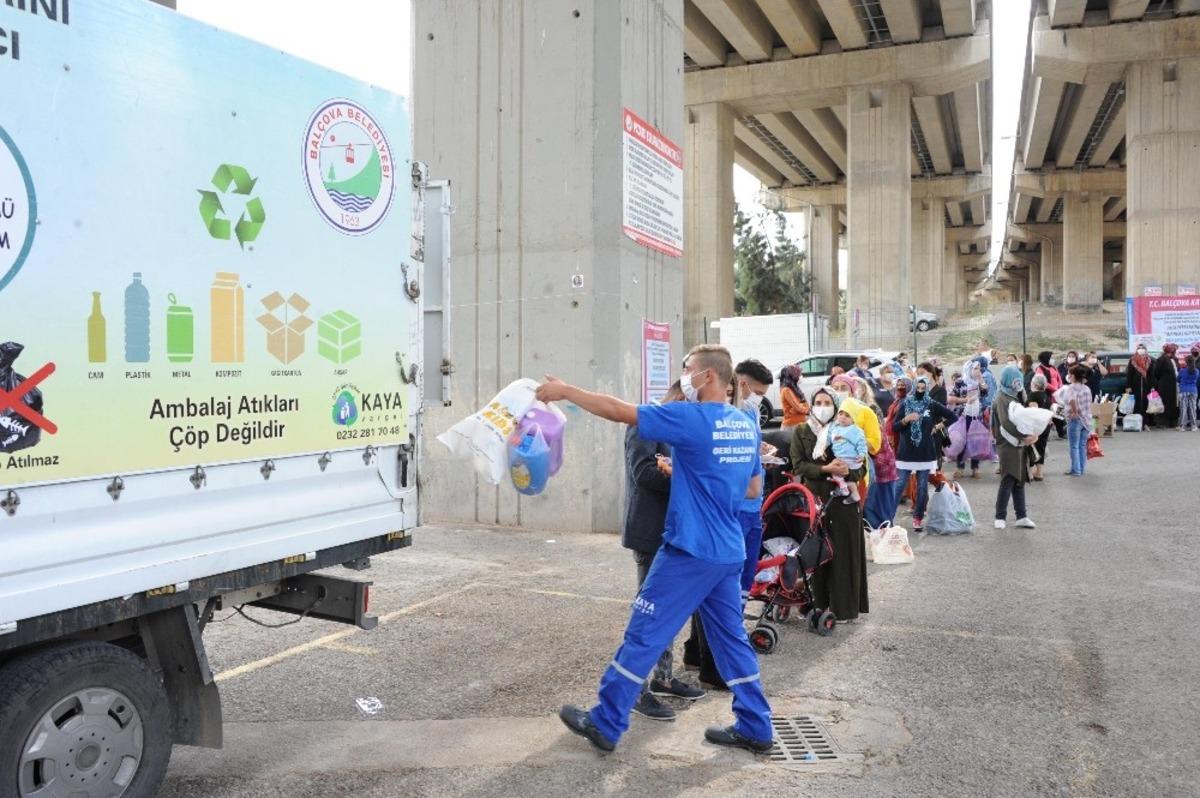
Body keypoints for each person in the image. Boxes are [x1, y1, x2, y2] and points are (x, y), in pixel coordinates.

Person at [537, 345, 773, 754]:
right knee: (732, 641)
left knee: (644, 632)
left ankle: (606, 722)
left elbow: (616, 410)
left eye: (688, 370)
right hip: (727, 551)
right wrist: (694, 472)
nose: (684, 376)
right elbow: (752, 487)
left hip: (688, 551)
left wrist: (566, 390)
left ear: (709, 377)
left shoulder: (691, 418)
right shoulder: (743, 424)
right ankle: (756, 726)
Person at [621, 382, 705, 722]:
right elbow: (642, 473)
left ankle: (664, 678)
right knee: (648, 614)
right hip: (650, 532)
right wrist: (688, 476)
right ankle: (635, 691)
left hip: (675, 533)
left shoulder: (676, 426)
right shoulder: (645, 422)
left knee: (668, 612)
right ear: (681, 398)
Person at [790, 388, 869, 622]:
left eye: (827, 402)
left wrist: (849, 470)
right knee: (816, 554)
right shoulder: (802, 431)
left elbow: (862, 465)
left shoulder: (849, 429)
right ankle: (816, 604)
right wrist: (825, 469)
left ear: (836, 407)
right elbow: (798, 466)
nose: (822, 406)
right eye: (818, 402)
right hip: (816, 500)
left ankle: (843, 608)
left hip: (843, 502)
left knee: (843, 555)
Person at [892, 376, 957, 531]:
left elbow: (952, 416)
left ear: (926, 388)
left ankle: (918, 518)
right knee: (900, 485)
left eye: (923, 388)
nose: (920, 391)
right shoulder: (905, 403)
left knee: (922, 486)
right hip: (906, 452)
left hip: (925, 452)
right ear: (914, 388)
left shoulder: (932, 404)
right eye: (918, 388)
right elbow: (894, 427)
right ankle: (889, 516)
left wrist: (938, 426)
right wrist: (906, 419)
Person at [991, 366, 1039, 530]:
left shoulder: (1013, 396)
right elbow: (1006, 423)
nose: (1018, 382)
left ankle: (1021, 516)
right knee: (1009, 478)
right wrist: (1024, 436)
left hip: (1017, 443)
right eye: (1015, 379)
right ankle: (1000, 516)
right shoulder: (1002, 398)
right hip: (1007, 444)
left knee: (1019, 479)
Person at [948, 358, 990, 479]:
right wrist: (965, 400)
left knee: (976, 441)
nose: (978, 370)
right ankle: (960, 467)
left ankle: (975, 468)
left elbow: (986, 393)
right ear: (969, 369)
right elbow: (951, 398)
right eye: (975, 368)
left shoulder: (979, 381)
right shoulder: (960, 382)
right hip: (963, 416)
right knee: (962, 441)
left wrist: (980, 378)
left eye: (979, 368)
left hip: (977, 416)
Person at [1055, 365, 1094, 476]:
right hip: (1086, 420)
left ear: (1073, 376)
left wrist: (1074, 411)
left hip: (1075, 420)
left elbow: (1072, 400)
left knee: (1074, 446)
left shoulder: (1071, 388)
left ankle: (1075, 470)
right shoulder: (1087, 388)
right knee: (1082, 445)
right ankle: (1080, 468)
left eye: (1070, 374)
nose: (1068, 376)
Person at [825, 409, 868, 504]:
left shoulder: (854, 430)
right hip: (843, 458)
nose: (843, 417)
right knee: (847, 477)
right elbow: (828, 438)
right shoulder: (835, 427)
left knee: (836, 471)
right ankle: (855, 494)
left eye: (847, 416)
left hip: (850, 459)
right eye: (841, 414)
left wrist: (862, 454)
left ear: (853, 419)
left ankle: (843, 489)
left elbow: (861, 443)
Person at [1026, 373, 1052, 481]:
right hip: (1046, 425)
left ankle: (1030, 473)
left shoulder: (1033, 395)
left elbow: (1033, 411)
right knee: (1041, 448)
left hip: (1035, 427)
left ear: (1035, 384)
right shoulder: (1046, 396)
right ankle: (1040, 473)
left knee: (1031, 448)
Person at [1151, 344, 1180, 429]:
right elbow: (1156, 372)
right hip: (1164, 385)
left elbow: (1177, 370)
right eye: (1172, 350)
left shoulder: (1175, 359)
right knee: (1164, 403)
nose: (1173, 352)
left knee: (1174, 403)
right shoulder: (1161, 359)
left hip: (1174, 386)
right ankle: (1162, 422)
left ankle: (1173, 422)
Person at [1126, 344, 1154, 420]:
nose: (1141, 350)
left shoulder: (1149, 360)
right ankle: (1136, 421)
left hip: (1146, 385)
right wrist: (1128, 386)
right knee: (1136, 403)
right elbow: (1129, 374)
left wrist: (1152, 386)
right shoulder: (1133, 360)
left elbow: (1151, 374)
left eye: (1143, 348)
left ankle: (1145, 422)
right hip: (1135, 385)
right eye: (1139, 348)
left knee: (1145, 403)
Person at [1180, 355, 1199, 431]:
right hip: (1193, 390)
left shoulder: (1182, 370)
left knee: (1183, 408)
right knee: (1193, 408)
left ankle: (1183, 426)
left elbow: (1178, 379)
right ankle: (1194, 426)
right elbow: (1197, 380)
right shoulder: (1197, 371)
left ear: (1186, 362)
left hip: (1184, 390)